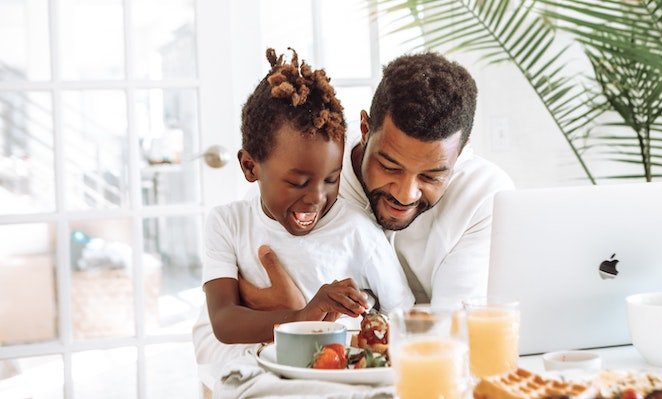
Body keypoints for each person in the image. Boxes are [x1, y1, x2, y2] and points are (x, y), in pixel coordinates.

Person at [192, 48, 414, 365]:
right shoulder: (229, 223)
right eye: (298, 182)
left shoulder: (356, 230)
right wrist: (304, 315)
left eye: (331, 179)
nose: (315, 198)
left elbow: (403, 313)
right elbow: (224, 322)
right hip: (260, 368)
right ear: (250, 167)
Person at [241, 52, 514, 308]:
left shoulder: (485, 196)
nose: (406, 194)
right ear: (364, 129)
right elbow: (214, 333)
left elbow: (456, 333)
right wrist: (290, 320)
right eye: (389, 166)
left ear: (461, 152)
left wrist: (300, 316)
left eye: (431, 176)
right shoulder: (311, 174)